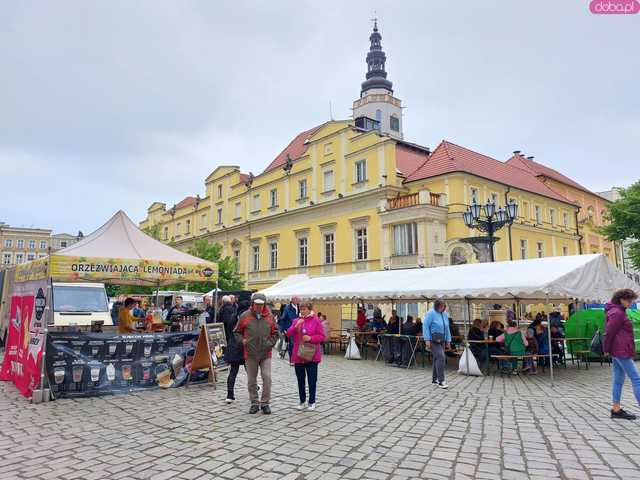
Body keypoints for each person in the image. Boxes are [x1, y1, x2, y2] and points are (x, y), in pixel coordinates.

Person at [234, 293, 278, 414]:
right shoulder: (245, 316)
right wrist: (242, 341)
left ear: (264, 304)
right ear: (252, 304)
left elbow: (275, 332)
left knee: (267, 377)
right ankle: (254, 402)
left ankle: (265, 403)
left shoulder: (269, 316)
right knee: (251, 380)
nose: (258, 306)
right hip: (250, 353)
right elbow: (237, 332)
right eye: (256, 304)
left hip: (265, 353)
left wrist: (270, 343)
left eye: (261, 304)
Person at [604, 289, 640, 420]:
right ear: (621, 299)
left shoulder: (616, 311)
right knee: (636, 379)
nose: (630, 303)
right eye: (629, 300)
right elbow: (609, 332)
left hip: (619, 350)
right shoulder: (617, 313)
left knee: (618, 379)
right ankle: (616, 409)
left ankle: (616, 409)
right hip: (621, 351)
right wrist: (606, 348)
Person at [286, 302, 325, 411]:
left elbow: (322, 336)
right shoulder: (296, 320)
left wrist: (311, 338)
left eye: (304, 309)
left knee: (312, 380)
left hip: (312, 355)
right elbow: (288, 334)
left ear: (309, 309)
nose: (302, 311)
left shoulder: (316, 320)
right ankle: (302, 401)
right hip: (298, 355)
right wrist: (296, 325)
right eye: (301, 309)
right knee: (300, 380)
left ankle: (312, 401)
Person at [218, 296, 242, 403]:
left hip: (232, 345)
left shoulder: (233, 316)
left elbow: (227, 331)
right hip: (243, 346)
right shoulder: (244, 317)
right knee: (251, 371)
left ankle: (230, 395)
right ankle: (254, 389)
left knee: (233, 371)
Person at [423, 300, 451, 389]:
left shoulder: (445, 314)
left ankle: (434, 380)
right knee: (441, 357)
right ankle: (441, 381)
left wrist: (448, 340)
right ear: (436, 305)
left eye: (443, 306)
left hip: (442, 339)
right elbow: (425, 326)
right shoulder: (431, 313)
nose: (442, 307)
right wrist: (427, 339)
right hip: (432, 340)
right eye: (441, 305)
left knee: (437, 358)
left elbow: (447, 328)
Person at [278, 297, 300, 362]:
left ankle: (297, 358)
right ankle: (292, 359)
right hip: (290, 329)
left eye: (298, 299)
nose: (298, 300)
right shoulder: (287, 308)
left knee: (297, 344)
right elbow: (283, 318)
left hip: (299, 329)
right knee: (292, 344)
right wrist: (284, 329)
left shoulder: (299, 307)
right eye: (297, 299)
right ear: (292, 300)